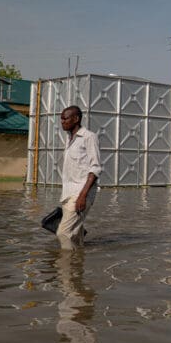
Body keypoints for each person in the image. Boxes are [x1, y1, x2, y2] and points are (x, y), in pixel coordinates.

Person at [58, 105, 101, 250]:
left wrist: (83, 195)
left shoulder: (89, 137)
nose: (62, 121)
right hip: (68, 193)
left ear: (76, 119)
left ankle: (65, 269)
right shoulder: (69, 139)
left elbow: (95, 169)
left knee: (63, 233)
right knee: (75, 234)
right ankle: (77, 265)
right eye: (61, 119)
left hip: (80, 193)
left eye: (65, 118)